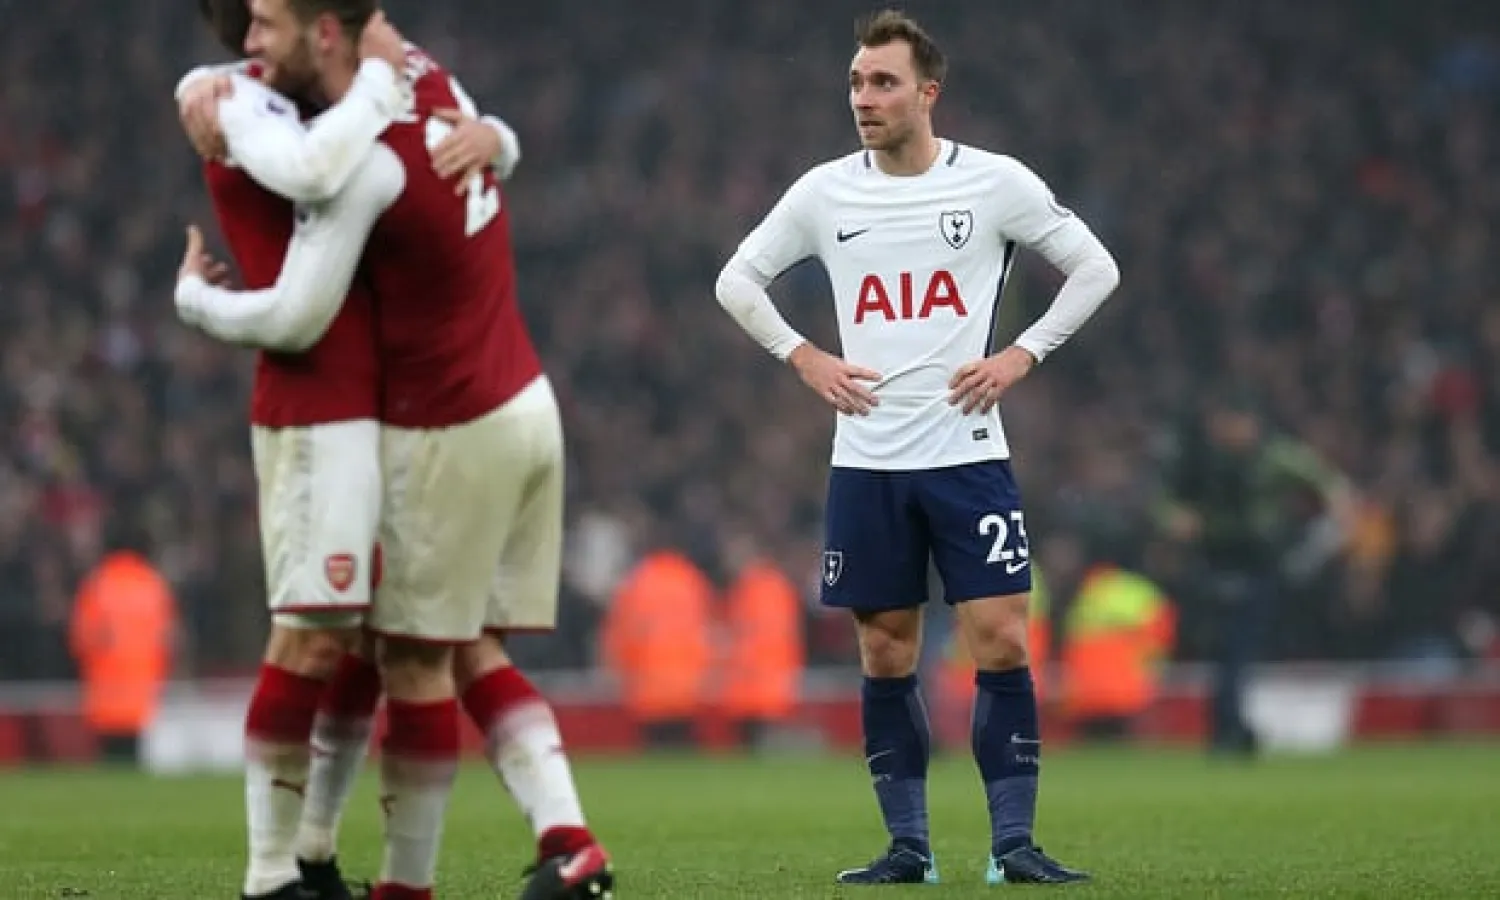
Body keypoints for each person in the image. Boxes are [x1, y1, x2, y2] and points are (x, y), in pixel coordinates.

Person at [174, 4, 611, 898]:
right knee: (450, 646)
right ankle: (564, 843)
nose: (251, 49)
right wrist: (499, 135)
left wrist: (195, 303)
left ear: (326, 32)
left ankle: (399, 885)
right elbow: (494, 146)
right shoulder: (432, 79)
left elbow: (300, 296)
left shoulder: (365, 162)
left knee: (411, 657)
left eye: (268, 26)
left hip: (450, 422)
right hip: (524, 402)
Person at [713, 9, 1118, 886]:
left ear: (927, 93)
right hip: (866, 460)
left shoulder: (994, 183)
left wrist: (1021, 353)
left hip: (969, 452)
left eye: (883, 81)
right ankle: (909, 848)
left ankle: (1013, 847)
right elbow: (736, 278)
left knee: (1001, 640)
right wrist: (804, 355)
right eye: (858, 81)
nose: (864, 97)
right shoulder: (825, 193)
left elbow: (1096, 267)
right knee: (885, 651)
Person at [1156, 388, 1354, 757]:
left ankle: (1228, 727)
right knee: (1224, 649)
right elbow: (1163, 500)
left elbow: (1327, 483)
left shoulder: (1274, 457)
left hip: (1258, 563)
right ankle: (1231, 726)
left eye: (1229, 422)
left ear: (1247, 423)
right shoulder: (1202, 461)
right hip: (1213, 561)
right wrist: (1176, 520)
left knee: (1236, 648)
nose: (1222, 430)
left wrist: (1330, 527)